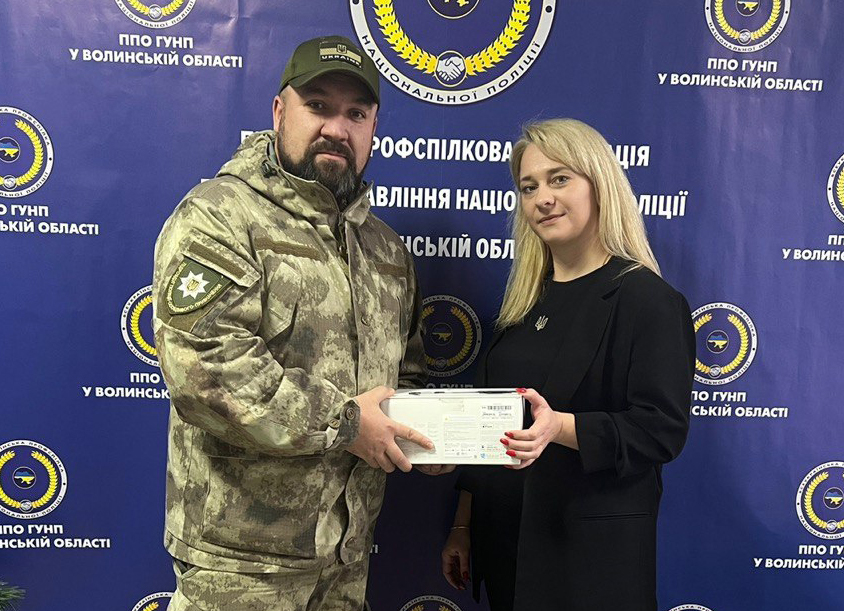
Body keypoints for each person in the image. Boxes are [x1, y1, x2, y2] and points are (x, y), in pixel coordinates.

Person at [152, 35, 434, 611]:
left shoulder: (385, 250)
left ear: (373, 128)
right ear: (280, 112)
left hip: (345, 558)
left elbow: (405, 376)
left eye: (356, 114)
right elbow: (208, 373)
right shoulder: (221, 216)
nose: (337, 128)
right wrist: (346, 423)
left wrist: (434, 436)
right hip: (240, 564)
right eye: (319, 106)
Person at [441, 118, 695, 611]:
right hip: (506, 550)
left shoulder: (648, 300)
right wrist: (463, 524)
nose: (543, 198)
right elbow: (491, 428)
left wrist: (560, 427)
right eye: (529, 187)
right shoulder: (523, 303)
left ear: (600, 184)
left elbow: (661, 431)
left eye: (559, 179)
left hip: (590, 564)